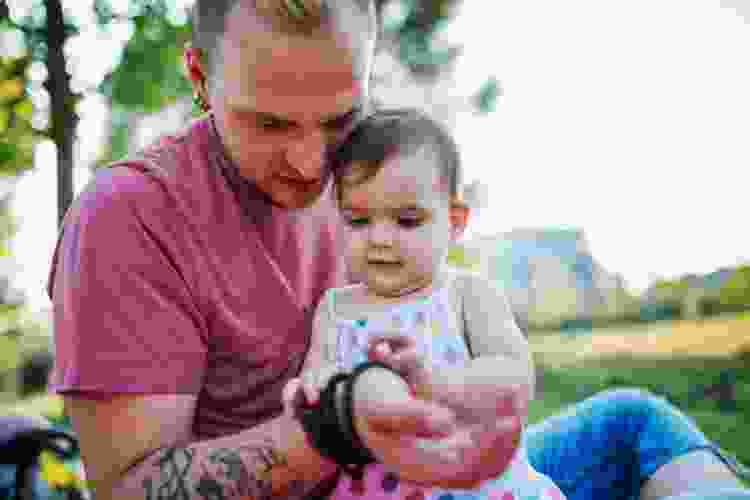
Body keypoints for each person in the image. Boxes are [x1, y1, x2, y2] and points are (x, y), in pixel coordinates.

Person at [46, 0, 750, 500]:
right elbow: (130, 487)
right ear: (199, 77)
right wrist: (340, 424)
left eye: (340, 117)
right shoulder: (128, 220)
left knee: (633, 425)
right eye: (267, 123)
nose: (310, 162)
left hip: (426, 480)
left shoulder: (369, 176)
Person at [290, 108, 567, 500]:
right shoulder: (336, 309)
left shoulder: (467, 295)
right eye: (358, 220)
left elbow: (516, 380)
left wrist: (434, 382)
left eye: (406, 221)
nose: (380, 239)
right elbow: (317, 379)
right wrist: (310, 392)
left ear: (454, 221)